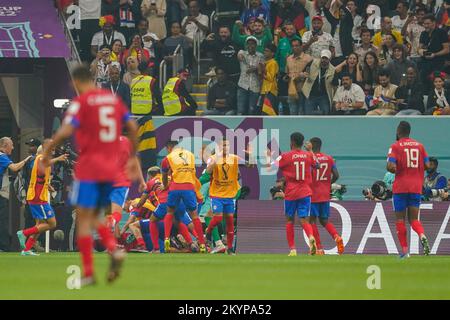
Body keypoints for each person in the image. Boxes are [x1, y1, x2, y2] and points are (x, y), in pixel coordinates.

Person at [41, 65, 140, 285]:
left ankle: (90, 270)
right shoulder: (112, 99)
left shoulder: (82, 102)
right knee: (93, 215)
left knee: (84, 219)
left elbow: (65, 131)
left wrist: (47, 153)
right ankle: (112, 251)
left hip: (89, 167)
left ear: (76, 82)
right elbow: (132, 126)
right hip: (110, 169)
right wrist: (133, 157)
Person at [266, 132, 317, 256]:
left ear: (292, 142)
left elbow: (269, 167)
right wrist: (311, 151)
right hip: (305, 192)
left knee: (289, 220)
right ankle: (310, 236)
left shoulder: (285, 156)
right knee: (304, 220)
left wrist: (268, 157)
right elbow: (317, 165)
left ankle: (293, 249)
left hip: (291, 193)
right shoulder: (308, 156)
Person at [387, 121, 431, 258]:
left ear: (398, 131)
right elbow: (428, 165)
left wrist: (398, 168)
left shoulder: (395, 146)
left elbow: (390, 166)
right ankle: (422, 235)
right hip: (416, 187)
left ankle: (405, 252)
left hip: (401, 187)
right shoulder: (420, 146)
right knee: (413, 219)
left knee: (400, 219)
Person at [16, 140, 67, 255]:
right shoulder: (40, 158)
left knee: (40, 226)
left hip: (38, 196)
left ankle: (26, 249)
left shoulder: (45, 162)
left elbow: (40, 177)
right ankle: (24, 233)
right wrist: (58, 159)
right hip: (38, 197)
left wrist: (48, 186)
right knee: (52, 223)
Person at [161, 140, 206, 253]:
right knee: (194, 215)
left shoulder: (168, 158)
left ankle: (166, 238)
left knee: (170, 212)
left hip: (175, 187)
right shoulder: (190, 155)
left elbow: (165, 176)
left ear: (169, 148)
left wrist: (165, 185)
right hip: (189, 187)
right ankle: (202, 243)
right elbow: (192, 173)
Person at [305, 137, 343, 255]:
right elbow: (336, 175)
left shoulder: (310, 158)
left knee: (312, 221)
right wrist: (327, 184)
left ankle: (319, 249)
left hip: (313, 194)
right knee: (324, 220)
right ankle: (337, 236)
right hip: (325, 194)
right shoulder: (329, 158)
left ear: (312, 145)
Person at [106, 135, 146, 246]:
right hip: (120, 182)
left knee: (109, 214)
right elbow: (135, 161)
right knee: (116, 215)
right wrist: (142, 181)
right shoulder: (126, 141)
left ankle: (112, 243)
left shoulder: (103, 139)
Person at [205, 139, 240, 255]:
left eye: (227, 145)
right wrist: (217, 159)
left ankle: (230, 248)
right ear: (219, 146)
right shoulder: (213, 158)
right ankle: (208, 232)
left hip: (230, 195)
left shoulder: (233, 158)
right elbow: (208, 171)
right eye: (223, 145)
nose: (226, 147)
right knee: (218, 218)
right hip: (217, 194)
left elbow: (239, 172)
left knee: (230, 221)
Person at [0, 137, 32, 252]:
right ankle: (3, 247)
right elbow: (15, 168)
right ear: (4, 146)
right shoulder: (2, 156)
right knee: (2, 219)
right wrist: (26, 160)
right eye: (11, 145)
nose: (13, 147)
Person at [418, 14, 450, 91]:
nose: (425, 26)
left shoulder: (441, 32)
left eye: (428, 24)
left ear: (434, 23)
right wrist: (420, 51)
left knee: (434, 83)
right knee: (422, 81)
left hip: (438, 62)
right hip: (425, 62)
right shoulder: (423, 33)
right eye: (424, 24)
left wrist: (434, 54)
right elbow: (419, 47)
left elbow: (447, 49)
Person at [301, 49, 336, 115]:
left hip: (324, 96)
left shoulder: (333, 70)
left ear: (329, 59)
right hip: (310, 94)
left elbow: (335, 85)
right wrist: (303, 74)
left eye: (326, 58)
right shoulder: (312, 62)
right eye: (322, 58)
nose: (324, 60)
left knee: (326, 115)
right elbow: (303, 72)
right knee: (308, 116)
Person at [236, 37, 265, 115]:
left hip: (255, 86)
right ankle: (239, 127)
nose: (250, 45)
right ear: (246, 45)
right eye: (248, 43)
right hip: (242, 85)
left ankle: (251, 127)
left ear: (256, 45)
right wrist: (239, 54)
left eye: (252, 43)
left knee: (252, 111)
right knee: (240, 110)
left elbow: (262, 70)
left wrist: (255, 69)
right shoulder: (242, 53)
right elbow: (239, 55)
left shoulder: (261, 56)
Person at [285, 38, 313, 115]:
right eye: (293, 46)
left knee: (302, 114)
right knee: (292, 113)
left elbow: (311, 76)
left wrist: (302, 76)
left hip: (304, 91)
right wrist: (287, 77)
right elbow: (286, 73)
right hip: (291, 91)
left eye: (297, 46)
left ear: (301, 46)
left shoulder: (308, 58)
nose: (295, 48)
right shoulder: (288, 59)